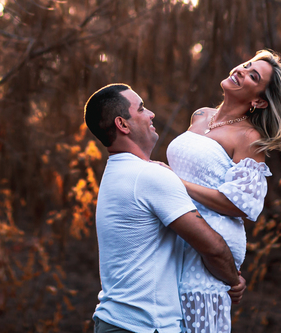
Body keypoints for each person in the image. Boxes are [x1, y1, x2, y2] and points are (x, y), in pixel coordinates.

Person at [85, 83, 246, 333]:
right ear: (123, 124)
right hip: (139, 327)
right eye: (141, 109)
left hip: (117, 323)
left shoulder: (119, 171)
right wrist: (234, 281)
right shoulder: (149, 176)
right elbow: (211, 247)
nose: (151, 114)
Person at [165, 50, 281, 333]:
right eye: (247, 65)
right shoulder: (200, 116)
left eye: (253, 76)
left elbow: (241, 204)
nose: (242, 70)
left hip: (210, 240)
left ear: (259, 100)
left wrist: (173, 184)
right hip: (177, 227)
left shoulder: (249, 138)